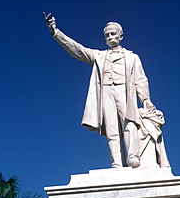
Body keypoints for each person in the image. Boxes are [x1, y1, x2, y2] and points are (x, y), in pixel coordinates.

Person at [43, 13, 157, 168]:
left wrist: (145, 100)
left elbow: (141, 79)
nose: (110, 37)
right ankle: (117, 162)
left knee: (129, 123)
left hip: (124, 91)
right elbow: (76, 49)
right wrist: (55, 32)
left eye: (113, 34)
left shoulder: (132, 57)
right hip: (106, 92)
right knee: (112, 129)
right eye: (107, 35)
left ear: (121, 36)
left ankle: (133, 156)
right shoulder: (99, 56)